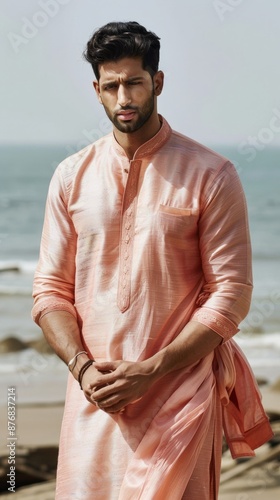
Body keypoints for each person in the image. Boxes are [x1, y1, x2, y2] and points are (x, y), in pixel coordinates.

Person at [32, 21, 273, 500]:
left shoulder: (211, 175)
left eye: (134, 82)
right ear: (96, 90)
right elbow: (50, 292)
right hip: (95, 400)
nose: (123, 96)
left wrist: (153, 369)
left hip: (178, 398)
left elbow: (232, 295)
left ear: (157, 83)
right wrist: (83, 369)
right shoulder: (70, 177)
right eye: (111, 85)